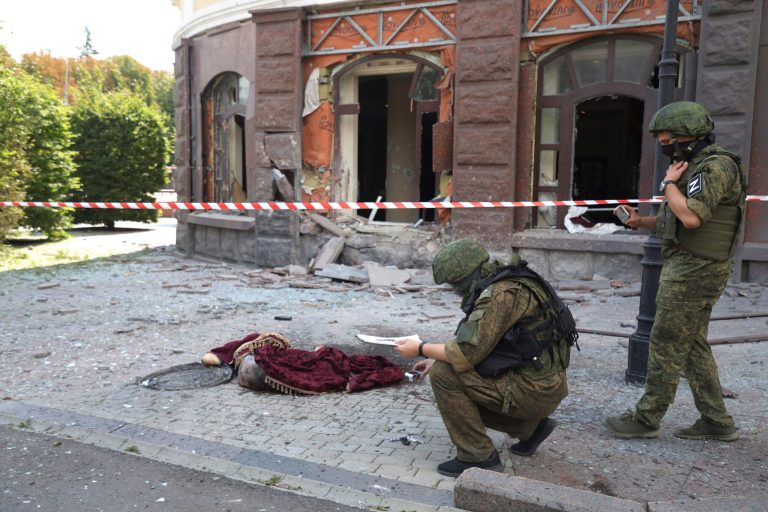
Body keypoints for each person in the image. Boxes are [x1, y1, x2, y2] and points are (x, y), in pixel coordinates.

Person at [604, 101, 746, 442]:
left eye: (668, 139)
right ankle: (716, 420)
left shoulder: (714, 168)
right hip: (690, 262)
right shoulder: (695, 166)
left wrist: (667, 184)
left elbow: (692, 218)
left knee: (666, 341)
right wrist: (640, 222)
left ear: (688, 137)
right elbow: (676, 220)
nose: (664, 145)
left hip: (695, 269)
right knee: (692, 344)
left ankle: (647, 417)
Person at [394, 239, 577, 477]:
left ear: (466, 277)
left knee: (444, 375)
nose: (455, 290)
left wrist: (420, 348)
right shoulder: (510, 280)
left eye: (454, 284)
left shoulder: (501, 294)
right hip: (543, 383)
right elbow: (486, 342)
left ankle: (478, 457)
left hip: (533, 390)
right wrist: (432, 356)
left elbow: (465, 354)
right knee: (443, 367)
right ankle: (531, 428)